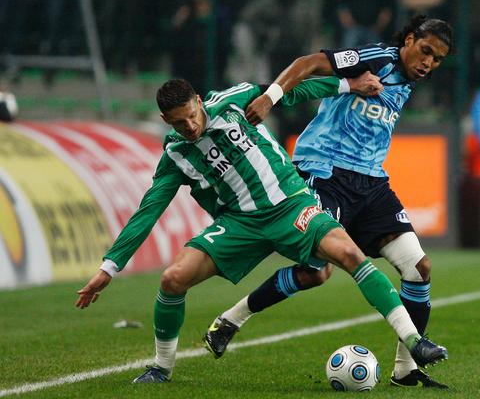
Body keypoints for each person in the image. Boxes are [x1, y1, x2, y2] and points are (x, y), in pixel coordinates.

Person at [75, 74, 448, 383]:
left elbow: (292, 89)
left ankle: (414, 342)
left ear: (199, 102)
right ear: (164, 119)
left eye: (191, 116)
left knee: (348, 255)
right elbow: (148, 210)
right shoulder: (176, 153)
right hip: (241, 224)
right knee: (173, 279)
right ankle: (161, 368)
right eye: (178, 123)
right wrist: (109, 268)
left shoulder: (234, 102)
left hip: (292, 205)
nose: (189, 127)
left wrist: (348, 85)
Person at [205, 15, 453, 389]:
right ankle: (231, 319)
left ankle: (406, 370)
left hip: (371, 182)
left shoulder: (407, 79)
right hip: (325, 171)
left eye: (437, 59)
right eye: (425, 51)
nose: (428, 63)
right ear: (408, 40)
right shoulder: (377, 58)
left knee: (419, 267)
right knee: (316, 272)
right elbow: (309, 63)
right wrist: (271, 97)